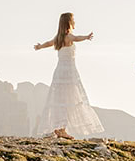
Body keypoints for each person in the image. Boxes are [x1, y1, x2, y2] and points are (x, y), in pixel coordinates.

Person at [32, 12, 104, 140]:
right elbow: (77, 38)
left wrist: (39, 46)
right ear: (69, 23)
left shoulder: (58, 38)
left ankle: (60, 128)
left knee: (60, 99)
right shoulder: (68, 36)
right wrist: (87, 37)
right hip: (69, 72)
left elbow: (49, 43)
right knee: (69, 99)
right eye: (73, 20)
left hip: (59, 72)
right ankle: (61, 129)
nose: (75, 22)